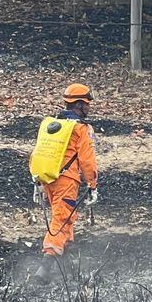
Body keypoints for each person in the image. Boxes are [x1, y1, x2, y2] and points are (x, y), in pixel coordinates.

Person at [30, 83, 100, 257]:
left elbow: (38, 153)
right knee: (62, 217)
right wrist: (93, 184)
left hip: (46, 178)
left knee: (66, 214)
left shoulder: (53, 125)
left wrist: (37, 181)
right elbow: (87, 160)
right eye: (87, 104)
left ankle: (65, 254)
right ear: (78, 105)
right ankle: (48, 262)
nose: (89, 107)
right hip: (66, 181)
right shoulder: (81, 129)